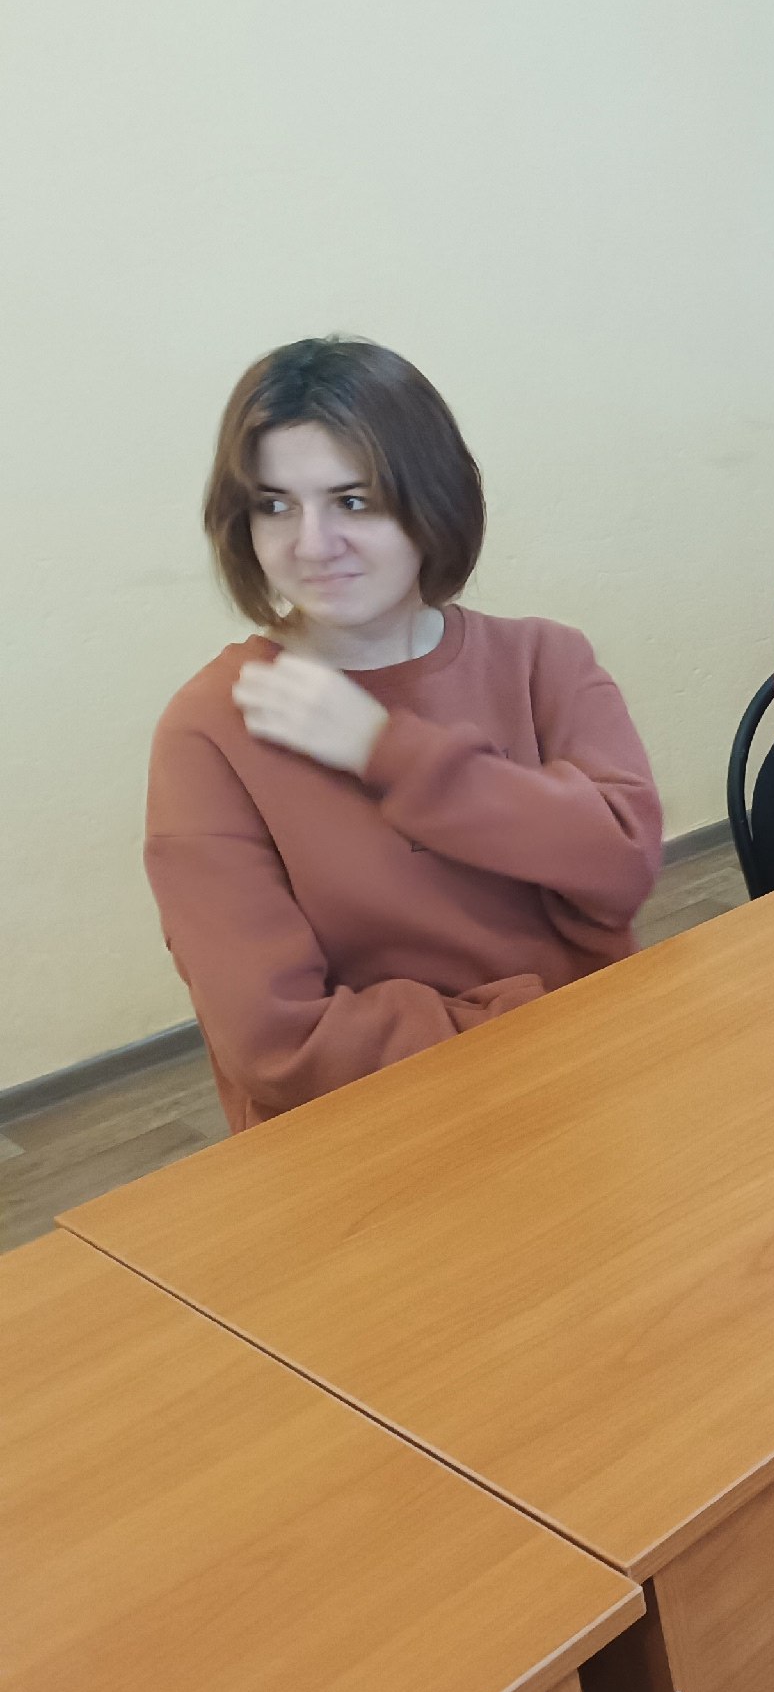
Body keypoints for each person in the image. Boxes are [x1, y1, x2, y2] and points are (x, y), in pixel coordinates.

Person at [146, 338, 663, 1132]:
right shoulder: (211, 728)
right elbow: (277, 1043)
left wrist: (385, 751)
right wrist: (534, 1025)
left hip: (589, 1085)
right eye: (275, 505)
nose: (312, 544)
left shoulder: (544, 660)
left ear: (432, 501)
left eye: (353, 501)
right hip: (382, 1132)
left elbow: (621, 865)